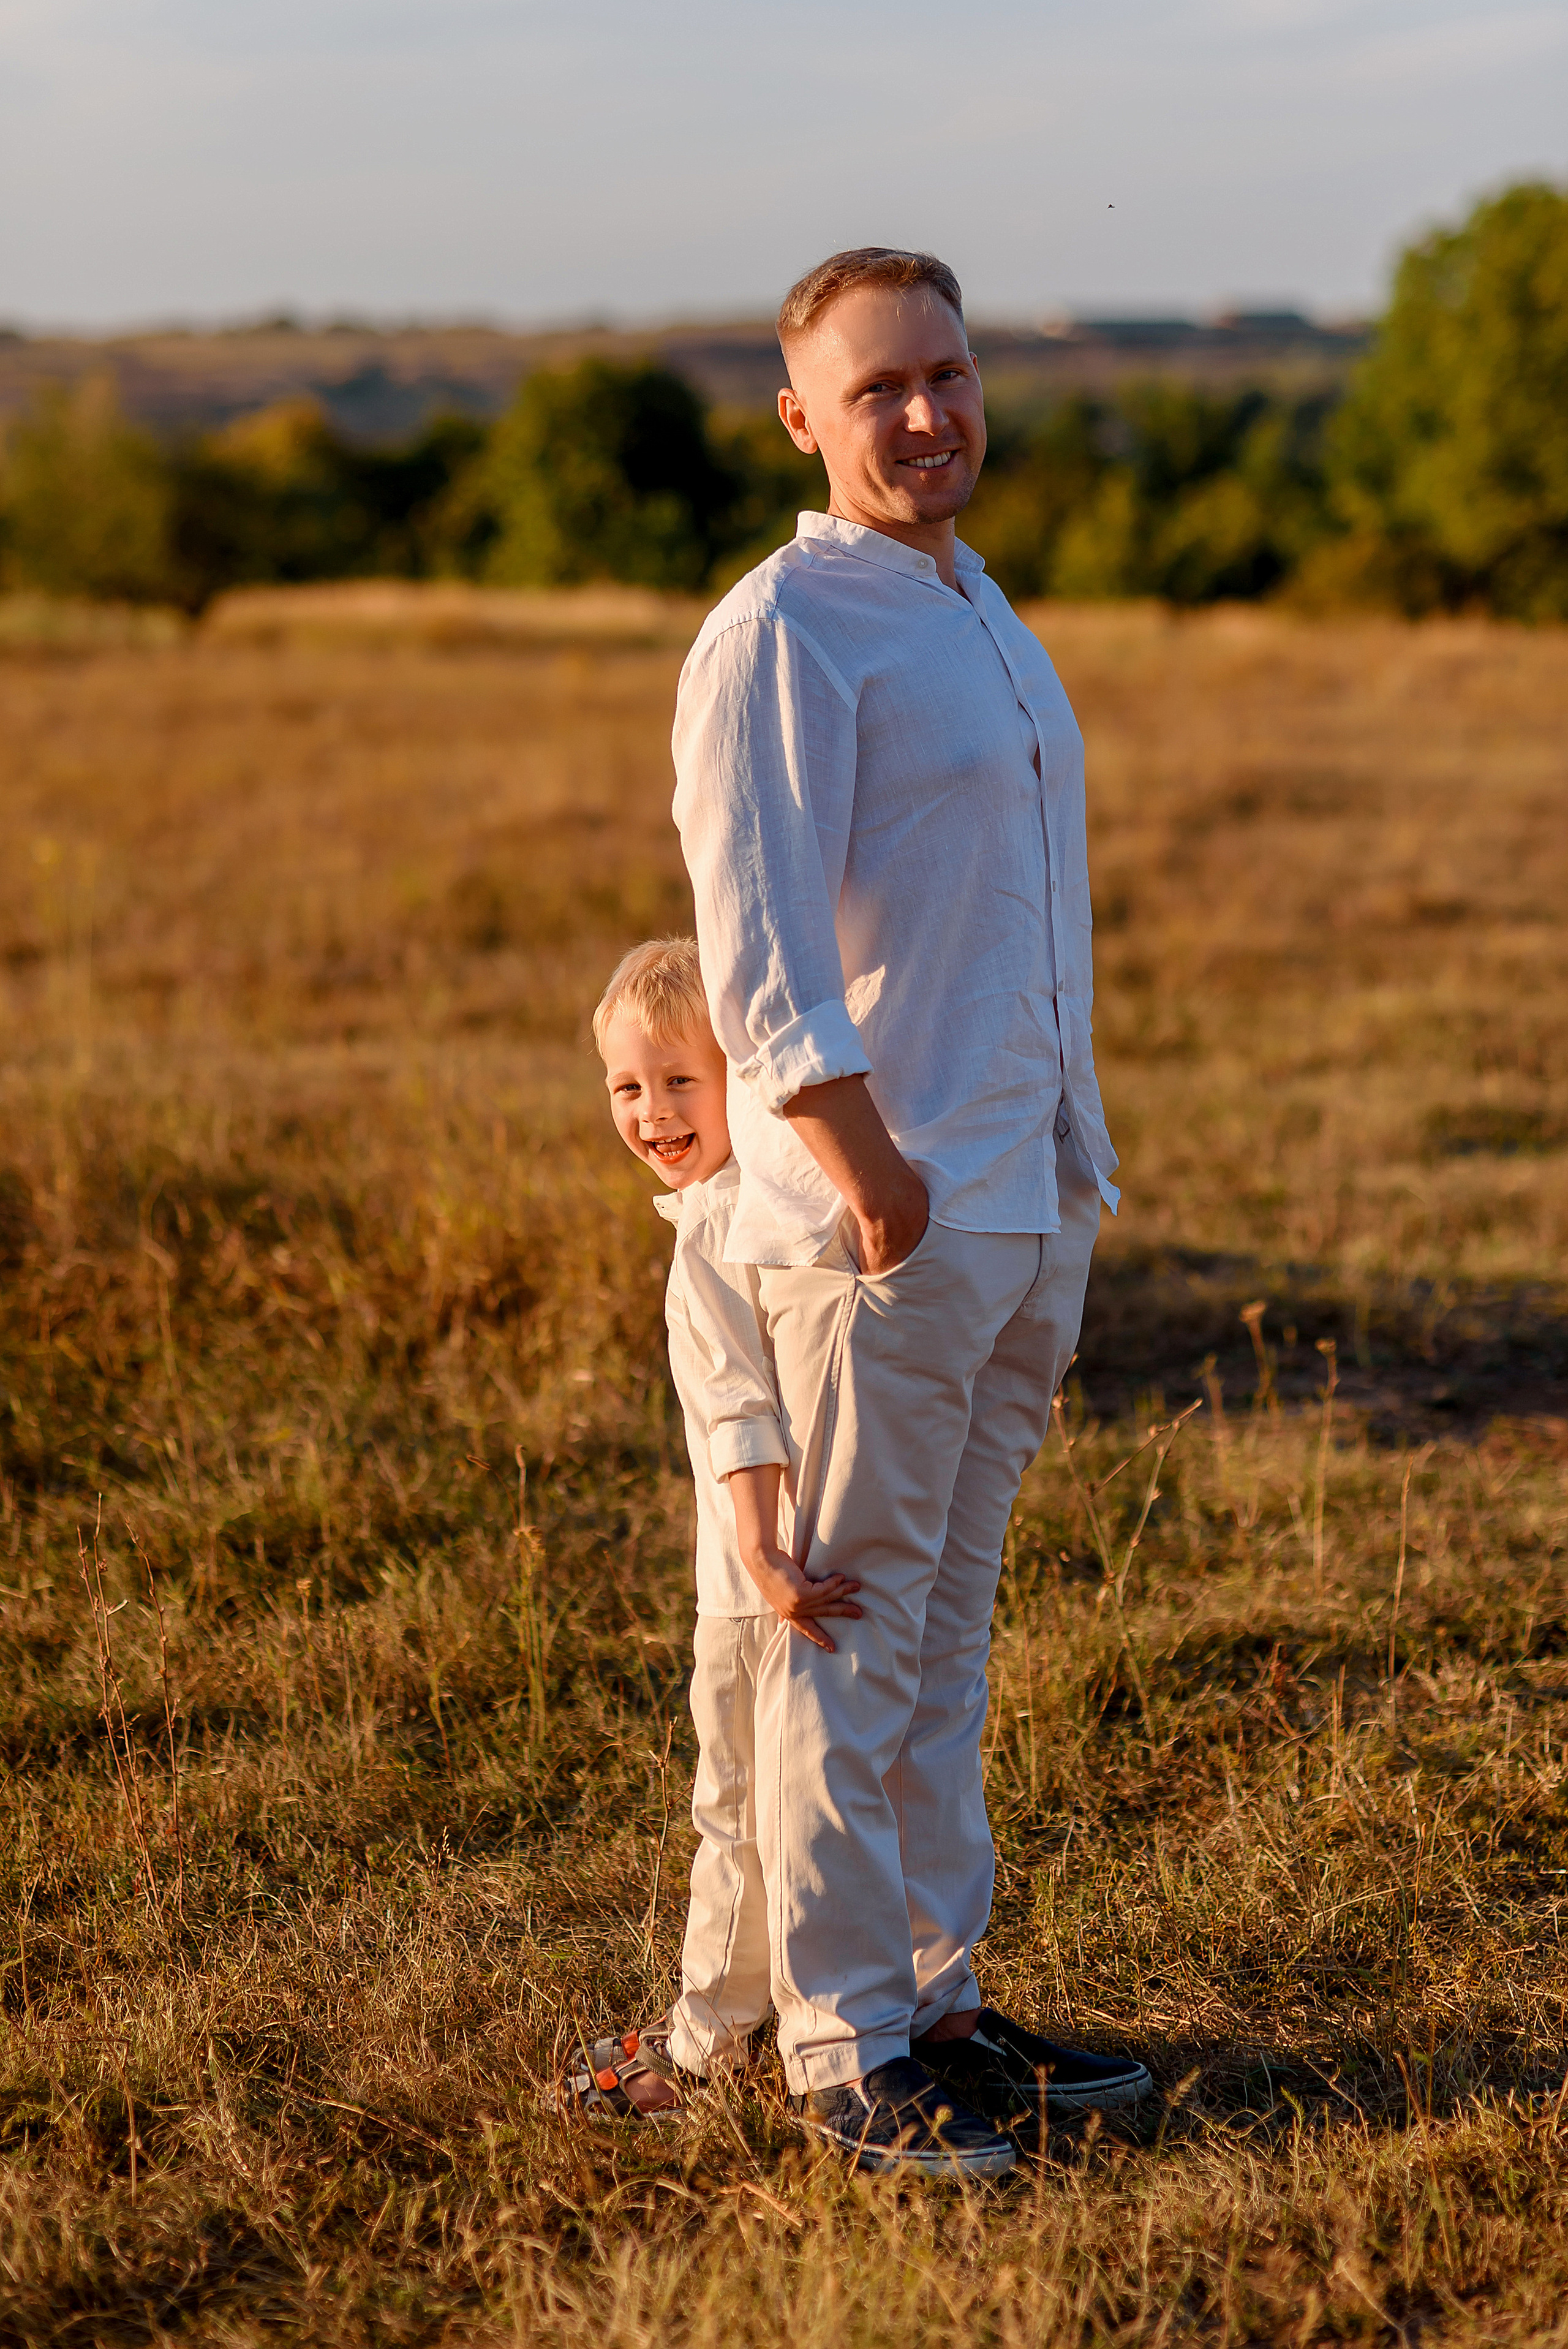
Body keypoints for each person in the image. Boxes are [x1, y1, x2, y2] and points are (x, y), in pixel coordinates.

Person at [671, 247, 1153, 2173]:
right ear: (805, 417)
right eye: (879, 389)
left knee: (943, 1638)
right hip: (887, 1221)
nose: (928, 414)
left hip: (1031, 1196)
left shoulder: (978, 603)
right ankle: (840, 2045)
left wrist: (1062, 1174)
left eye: (947, 375)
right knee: (848, 1642)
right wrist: (873, 1175)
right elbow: (755, 934)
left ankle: (938, 1996)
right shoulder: (785, 626)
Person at [562, 939, 894, 2128]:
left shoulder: (710, 1234)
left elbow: (737, 1409)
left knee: (736, 1813)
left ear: (742, 1080)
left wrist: (756, 1555)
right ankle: (802, 2014)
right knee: (793, 1802)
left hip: (755, 1583)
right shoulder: (779, 1208)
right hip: (818, 1553)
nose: (651, 1112)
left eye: (679, 1081)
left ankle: (700, 2048)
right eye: (626, 1087)